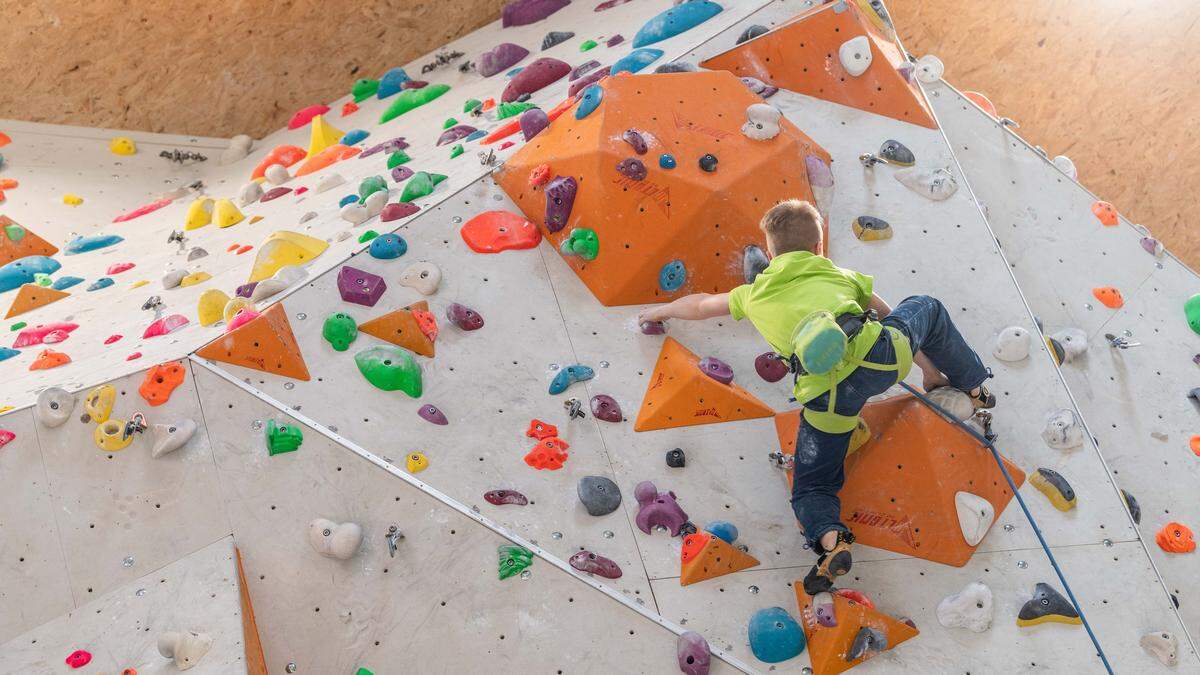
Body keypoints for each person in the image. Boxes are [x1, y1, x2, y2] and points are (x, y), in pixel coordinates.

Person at [636, 199, 994, 594]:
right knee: (927, 308)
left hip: (826, 394)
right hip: (881, 357)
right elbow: (890, 312)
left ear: (769, 253)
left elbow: (702, 305)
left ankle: (830, 539)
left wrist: (657, 311)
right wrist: (927, 371)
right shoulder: (836, 272)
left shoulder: (752, 294)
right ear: (819, 247)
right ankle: (974, 386)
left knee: (811, 485)